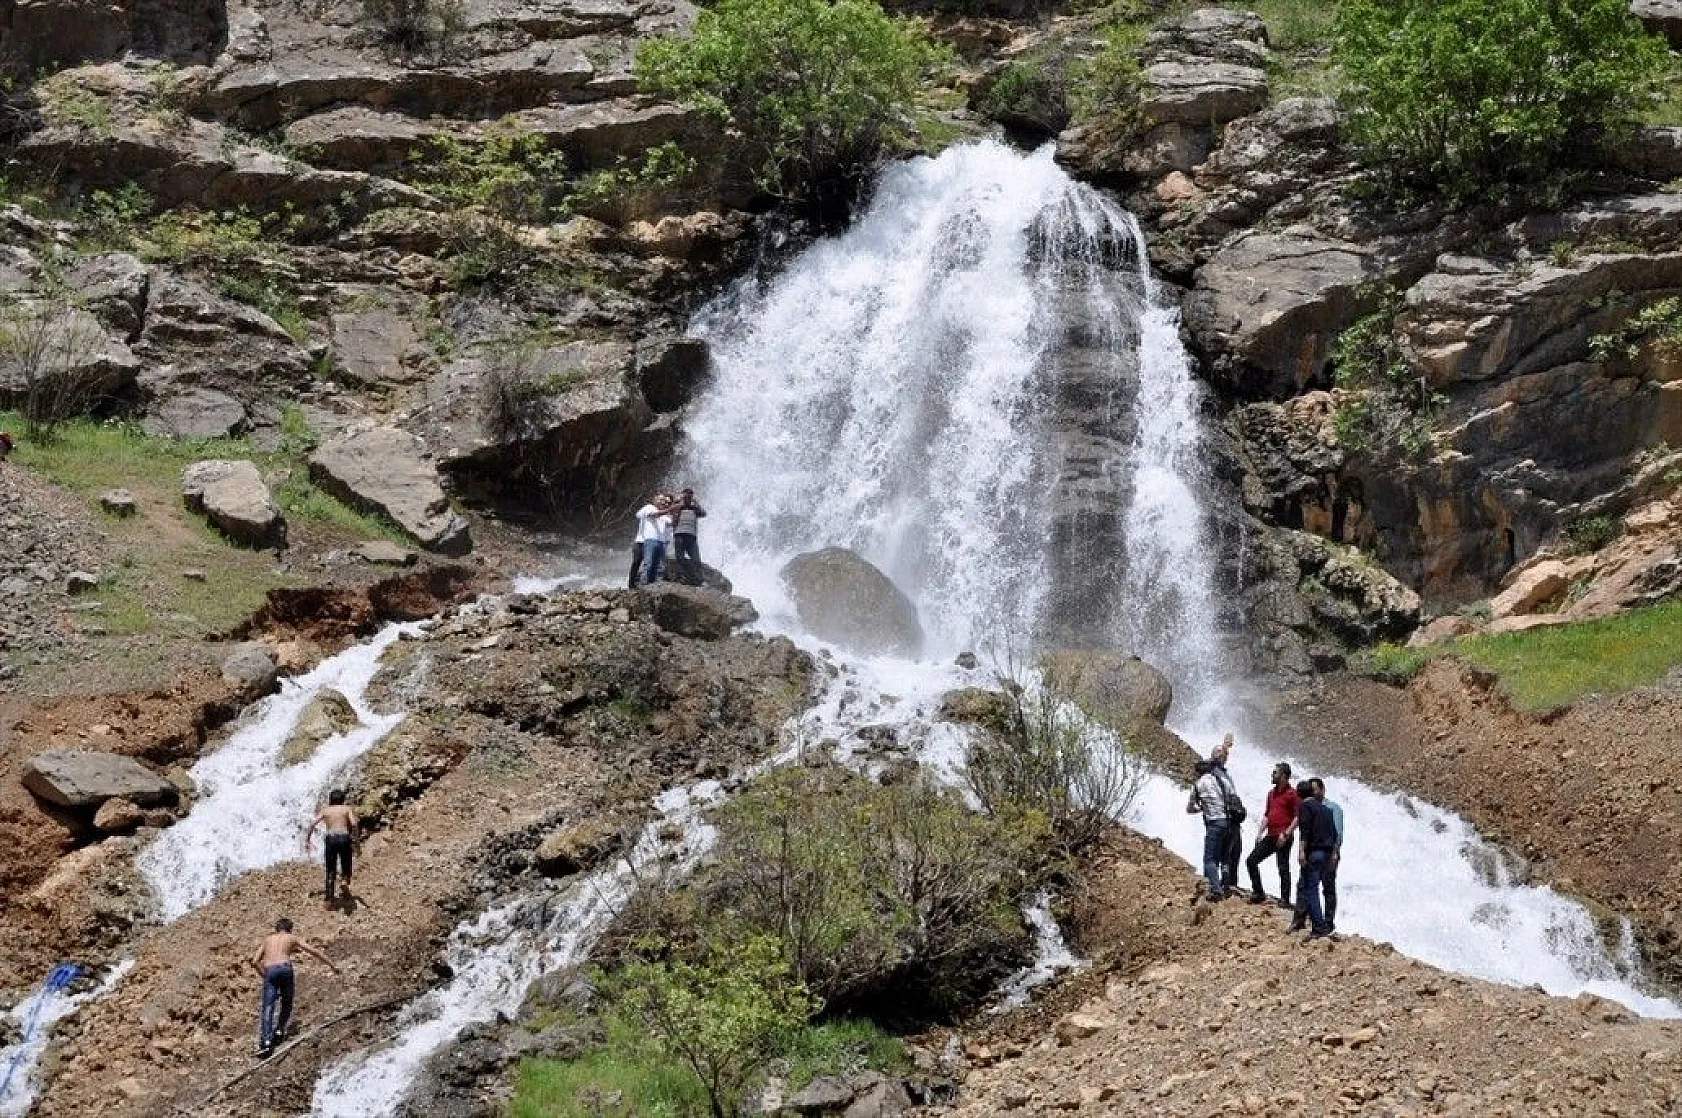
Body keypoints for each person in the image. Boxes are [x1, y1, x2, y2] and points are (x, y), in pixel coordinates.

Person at [250, 917, 338, 1057]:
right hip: (285, 968)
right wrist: (331, 964)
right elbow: (313, 951)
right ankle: (279, 1029)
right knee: (287, 1001)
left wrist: (265, 975)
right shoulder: (292, 938)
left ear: (276, 929)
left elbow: (254, 961)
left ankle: (266, 1042)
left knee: (268, 1007)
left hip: (270, 970)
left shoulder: (267, 940)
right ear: (290, 929)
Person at [1246, 762, 1299, 906]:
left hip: (1283, 836)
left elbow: (1297, 816)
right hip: (1270, 835)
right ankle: (1258, 892)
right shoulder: (1271, 793)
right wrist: (1259, 832)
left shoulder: (1292, 794)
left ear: (1283, 776)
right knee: (1251, 861)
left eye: (1275, 773)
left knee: (1283, 867)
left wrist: (1286, 834)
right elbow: (1267, 815)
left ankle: (1285, 899)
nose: (1272, 775)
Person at [1293, 779, 1339, 939]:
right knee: (1322, 889)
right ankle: (1324, 924)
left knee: (1310, 889)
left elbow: (1304, 831)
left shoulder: (1304, 806)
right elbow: (1334, 835)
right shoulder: (1326, 810)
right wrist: (1334, 855)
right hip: (1327, 854)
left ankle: (1318, 927)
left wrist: (1301, 852)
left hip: (1315, 853)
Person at [1185, 758, 1231, 901]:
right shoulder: (1220, 781)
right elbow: (1230, 794)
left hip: (1214, 824)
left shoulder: (1198, 785)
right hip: (1227, 822)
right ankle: (1220, 881)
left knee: (1209, 859)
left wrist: (1201, 808)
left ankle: (1216, 891)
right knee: (1219, 856)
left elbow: (1189, 808)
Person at [305, 790, 358, 910]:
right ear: (342, 799)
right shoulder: (346, 809)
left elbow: (312, 824)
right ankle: (345, 880)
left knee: (330, 869)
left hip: (331, 839)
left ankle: (328, 900)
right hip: (344, 837)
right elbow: (354, 824)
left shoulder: (325, 810)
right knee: (346, 863)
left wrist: (307, 840)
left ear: (330, 799)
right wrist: (356, 841)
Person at [1209, 735, 1245, 893]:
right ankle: (1217, 885)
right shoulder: (1211, 772)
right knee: (1222, 853)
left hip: (1234, 818)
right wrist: (1223, 747)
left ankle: (1231, 884)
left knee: (1235, 852)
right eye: (1220, 754)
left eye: (1225, 755)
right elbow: (1211, 761)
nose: (1223, 756)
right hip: (1221, 818)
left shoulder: (1226, 774)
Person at [628, 494, 676, 589]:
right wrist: (670, 509)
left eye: (666, 502)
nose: (664, 502)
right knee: (639, 563)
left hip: (658, 542)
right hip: (643, 541)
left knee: (656, 565)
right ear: (654, 500)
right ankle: (634, 584)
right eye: (661, 500)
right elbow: (651, 514)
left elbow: (672, 523)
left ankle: (651, 585)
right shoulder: (649, 507)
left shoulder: (664, 515)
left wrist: (677, 510)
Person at [671, 487, 707, 586]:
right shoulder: (678, 506)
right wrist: (678, 501)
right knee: (680, 558)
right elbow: (670, 510)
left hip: (691, 536)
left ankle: (699, 580)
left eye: (690, 494)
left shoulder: (695, 508)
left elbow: (704, 513)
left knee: (696, 559)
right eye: (686, 494)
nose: (688, 496)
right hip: (679, 534)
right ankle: (681, 578)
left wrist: (696, 503)